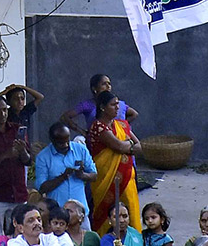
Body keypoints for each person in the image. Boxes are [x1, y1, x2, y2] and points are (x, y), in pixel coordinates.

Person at [89, 90, 140, 235]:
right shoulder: (98, 126)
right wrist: (127, 145)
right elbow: (117, 146)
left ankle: (132, 241)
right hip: (105, 177)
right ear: (102, 107)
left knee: (129, 208)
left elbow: (139, 147)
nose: (117, 107)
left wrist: (125, 145)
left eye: (118, 104)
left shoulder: (121, 125)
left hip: (126, 176)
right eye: (113, 105)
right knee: (107, 212)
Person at [35, 122, 97, 210]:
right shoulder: (43, 157)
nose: (66, 145)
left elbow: (94, 175)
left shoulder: (80, 149)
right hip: (57, 212)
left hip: (80, 211)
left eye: (67, 141)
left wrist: (82, 175)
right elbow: (42, 188)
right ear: (52, 140)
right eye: (61, 143)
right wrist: (63, 177)